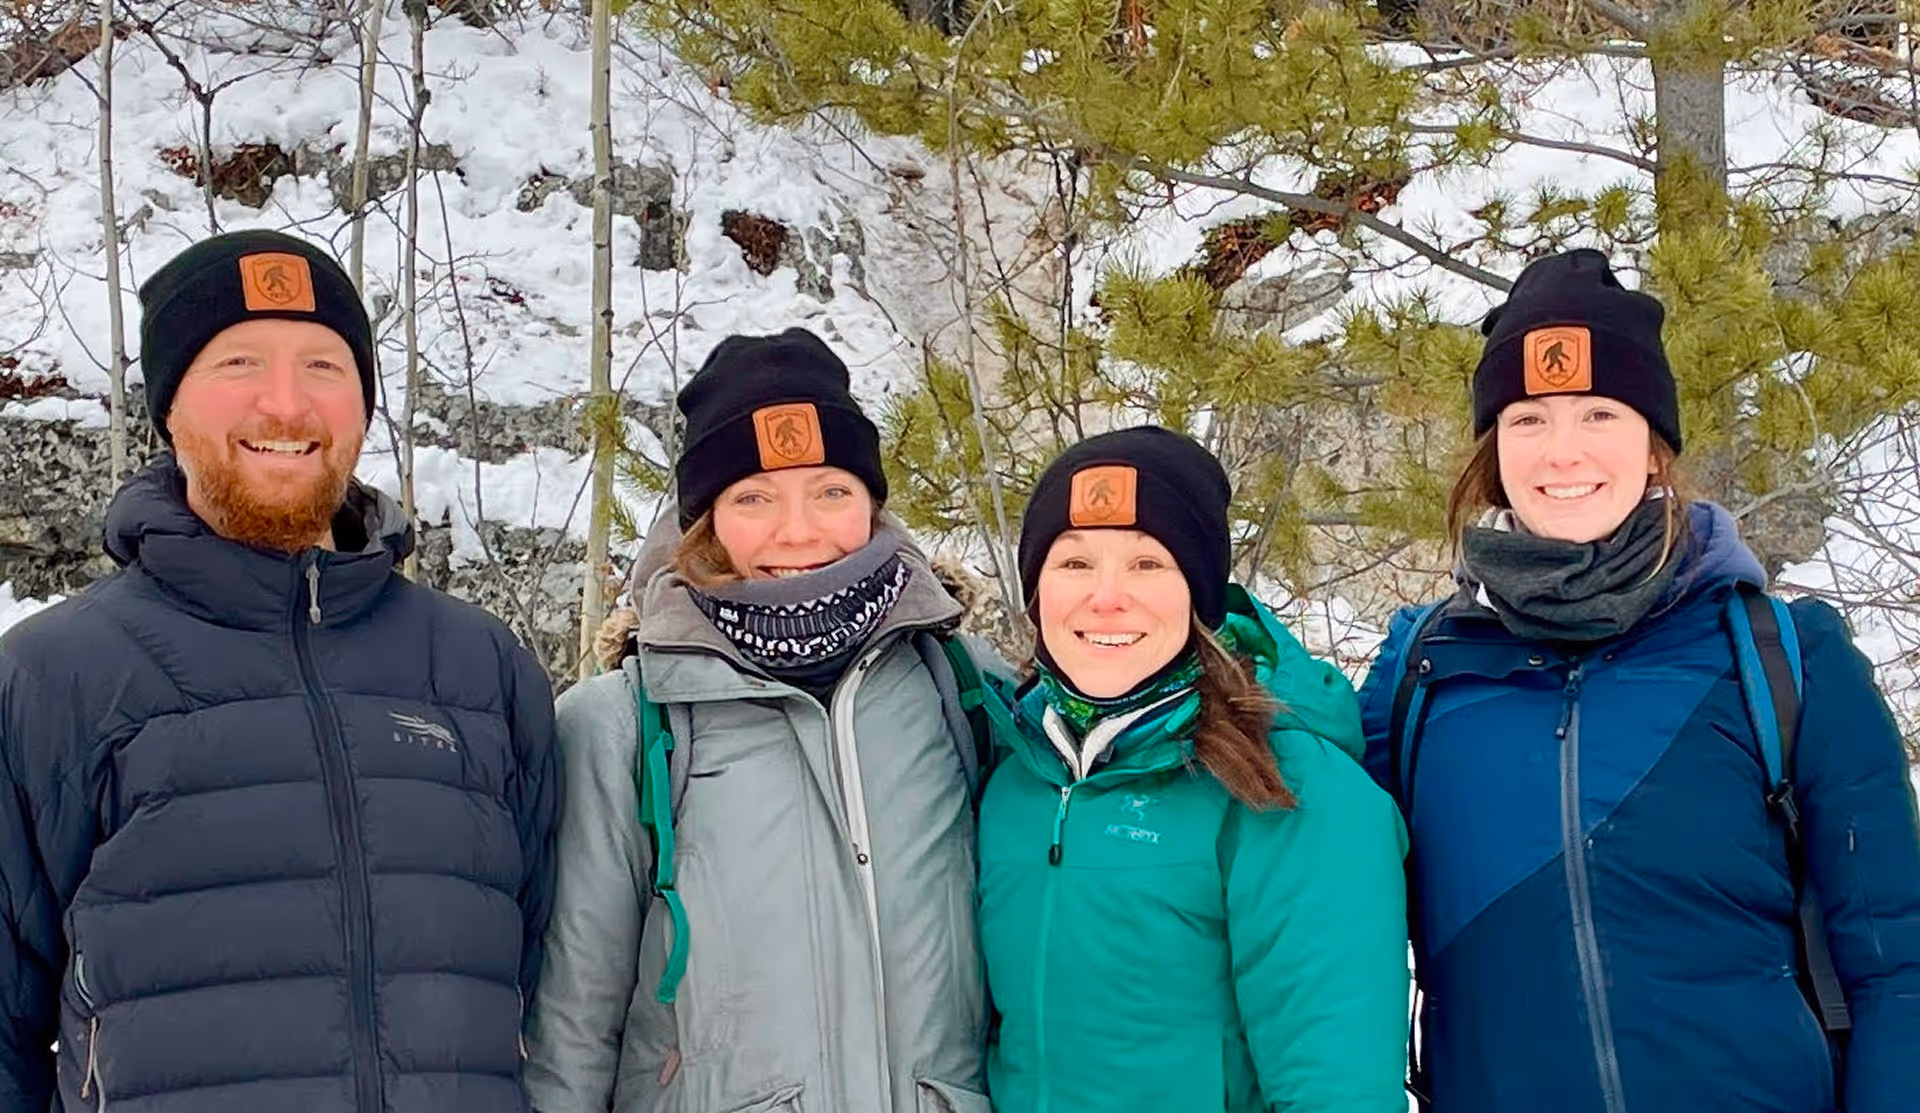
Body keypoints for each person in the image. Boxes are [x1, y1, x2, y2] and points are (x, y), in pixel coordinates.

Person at [0, 230, 559, 1112]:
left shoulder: (481, 670)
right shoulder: (54, 677)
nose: (286, 404)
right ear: (170, 407)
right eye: (240, 362)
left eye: (324, 367)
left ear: (365, 407)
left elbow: (536, 988)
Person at [1358, 248, 1920, 1112]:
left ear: (1655, 446)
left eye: (1599, 414)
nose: (1563, 451)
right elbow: (1297, 901)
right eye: (1528, 421)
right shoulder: (1421, 674)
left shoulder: (1782, 657)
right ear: (1493, 448)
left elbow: (1899, 964)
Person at [524, 328, 995, 1113]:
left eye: (832, 491)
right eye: (755, 497)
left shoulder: (962, 688)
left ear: (872, 504)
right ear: (704, 523)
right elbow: (573, 1026)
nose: (799, 530)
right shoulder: (624, 727)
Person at [975, 426, 1411, 1113]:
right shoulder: (1017, 774)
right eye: (1074, 563)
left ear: (1200, 593)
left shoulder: (1286, 782)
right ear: (1035, 591)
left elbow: (1338, 1087)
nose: (1107, 596)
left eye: (1148, 563)